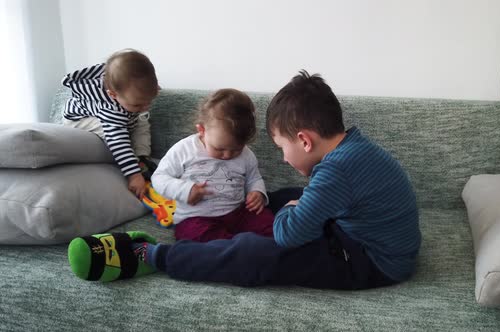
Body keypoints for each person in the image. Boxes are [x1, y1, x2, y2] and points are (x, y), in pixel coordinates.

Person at [68, 70, 421, 290]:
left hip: (368, 261)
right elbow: (321, 197)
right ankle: (260, 215)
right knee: (284, 196)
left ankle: (153, 256)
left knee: (257, 253)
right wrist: (292, 204)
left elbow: (289, 233)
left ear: (305, 140)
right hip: (367, 238)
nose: (282, 157)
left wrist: (292, 214)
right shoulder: (353, 148)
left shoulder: (335, 171)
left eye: (282, 146)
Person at [150, 88, 275, 242]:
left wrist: (257, 192)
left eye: (236, 149)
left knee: (271, 225)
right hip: (196, 218)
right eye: (219, 149)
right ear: (202, 130)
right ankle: (231, 249)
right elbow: (159, 178)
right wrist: (184, 190)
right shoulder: (184, 150)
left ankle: (247, 248)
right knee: (198, 236)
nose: (228, 155)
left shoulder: (247, 155)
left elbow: (253, 178)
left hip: (238, 213)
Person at [61, 49, 159, 198]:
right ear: (113, 95)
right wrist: (134, 175)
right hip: (79, 121)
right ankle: (132, 164)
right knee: (113, 136)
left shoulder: (128, 90)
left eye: (149, 101)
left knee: (143, 119)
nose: (145, 106)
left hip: (120, 116)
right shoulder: (110, 109)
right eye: (137, 104)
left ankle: (141, 156)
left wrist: (147, 94)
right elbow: (118, 141)